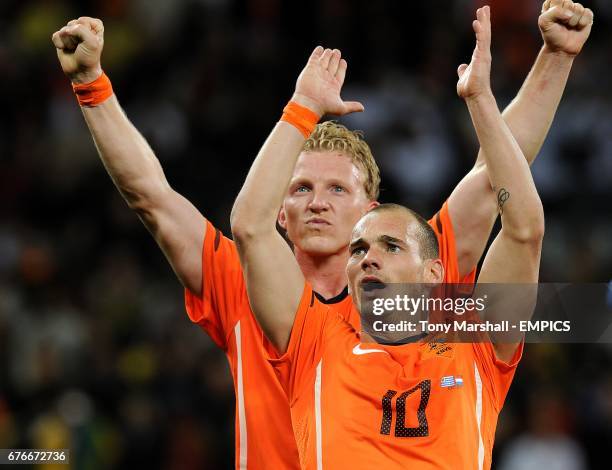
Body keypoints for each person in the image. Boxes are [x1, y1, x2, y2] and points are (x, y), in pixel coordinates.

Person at [51, 0, 593, 467]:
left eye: (337, 190)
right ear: (279, 211)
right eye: (301, 188)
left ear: (370, 210)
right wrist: (91, 87)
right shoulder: (246, 282)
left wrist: (555, 58)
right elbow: (152, 196)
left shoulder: (420, 270)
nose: (316, 202)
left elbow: (504, 177)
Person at [234, 6, 546, 468]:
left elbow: (523, 228)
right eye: (357, 249)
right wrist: (301, 108)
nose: (367, 258)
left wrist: (481, 101)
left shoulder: (476, 339)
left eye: (390, 245)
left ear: (435, 273)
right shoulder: (313, 340)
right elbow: (250, 226)